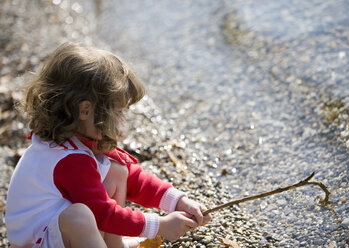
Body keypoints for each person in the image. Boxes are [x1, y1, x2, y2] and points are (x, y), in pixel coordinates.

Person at [5, 42, 212, 248]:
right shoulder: (69, 161)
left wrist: (177, 201)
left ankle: (114, 245)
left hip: (52, 233)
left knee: (116, 170)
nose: (121, 120)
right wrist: (159, 226)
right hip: (35, 242)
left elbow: (133, 179)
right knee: (79, 217)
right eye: (117, 112)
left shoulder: (77, 139)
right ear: (85, 110)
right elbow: (104, 214)